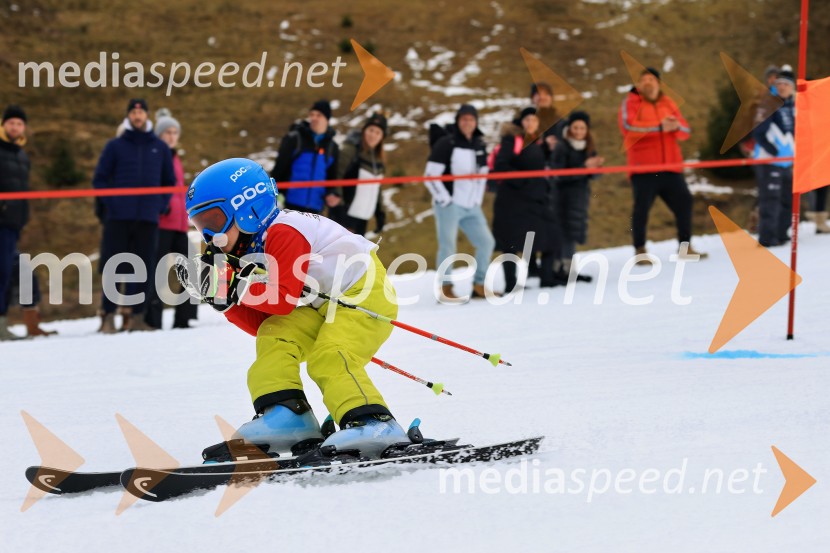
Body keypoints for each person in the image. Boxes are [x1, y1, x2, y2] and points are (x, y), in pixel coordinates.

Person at [177, 158, 407, 460]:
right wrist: (224, 300)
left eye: (213, 222)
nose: (209, 237)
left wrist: (235, 287)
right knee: (275, 335)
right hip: (321, 305)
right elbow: (265, 321)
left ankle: (373, 423)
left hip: (363, 294)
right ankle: (287, 416)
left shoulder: (284, 231)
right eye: (200, 226)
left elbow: (282, 299)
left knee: (331, 354)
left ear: (247, 206)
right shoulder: (247, 248)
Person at [92, 98, 175, 333]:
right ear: (128, 116)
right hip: (118, 218)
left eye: (141, 112)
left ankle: (137, 317)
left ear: (147, 116)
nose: (137, 116)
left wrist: (159, 205)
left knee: (144, 267)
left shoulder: (159, 148)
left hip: (148, 218)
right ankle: (107, 316)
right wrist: (111, 205)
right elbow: (100, 179)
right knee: (113, 266)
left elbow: (169, 182)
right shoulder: (115, 146)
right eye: (133, 112)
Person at [618, 67, 706, 261]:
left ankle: (685, 247)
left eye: (651, 79)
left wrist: (675, 126)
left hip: (670, 166)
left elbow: (685, 131)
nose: (647, 82)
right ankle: (640, 250)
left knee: (684, 202)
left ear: (658, 83)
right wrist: (659, 128)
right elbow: (628, 128)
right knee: (641, 209)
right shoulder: (631, 101)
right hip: (644, 168)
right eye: (644, 80)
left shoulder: (668, 102)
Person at [424, 104, 497, 300]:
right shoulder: (446, 144)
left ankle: (479, 285)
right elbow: (430, 175)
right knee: (448, 246)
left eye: (471, 119)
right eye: (463, 119)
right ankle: (445, 288)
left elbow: (483, 175)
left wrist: (477, 199)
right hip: (450, 205)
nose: (467, 122)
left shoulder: (480, 145)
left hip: (472, 206)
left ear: (476, 122)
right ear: (458, 121)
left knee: (486, 242)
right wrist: (445, 200)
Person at [493, 107, 560, 292]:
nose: (531, 123)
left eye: (535, 120)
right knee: (511, 242)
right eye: (528, 119)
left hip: (536, 200)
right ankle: (511, 284)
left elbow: (534, 163)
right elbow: (501, 166)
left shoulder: (538, 143)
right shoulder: (512, 140)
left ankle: (546, 278)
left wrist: (547, 150)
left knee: (551, 233)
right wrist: (524, 181)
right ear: (521, 122)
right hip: (513, 201)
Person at [144, 110, 198, 329]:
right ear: (158, 134)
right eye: (167, 132)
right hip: (159, 223)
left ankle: (183, 318)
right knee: (156, 271)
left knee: (192, 265)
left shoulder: (175, 157)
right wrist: (161, 208)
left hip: (178, 223)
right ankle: (152, 320)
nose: (172, 136)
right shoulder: (153, 155)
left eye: (175, 132)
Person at [550, 111, 604, 280]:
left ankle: (568, 268)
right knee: (563, 231)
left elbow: (594, 175)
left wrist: (595, 169)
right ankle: (559, 269)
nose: (579, 131)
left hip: (580, 195)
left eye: (583, 128)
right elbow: (558, 174)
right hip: (562, 196)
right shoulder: (561, 146)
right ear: (570, 128)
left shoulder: (589, 146)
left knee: (573, 230)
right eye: (576, 127)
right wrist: (584, 168)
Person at [270, 100, 341, 216]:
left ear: (327, 119)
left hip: (316, 209)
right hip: (289, 206)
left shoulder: (333, 147)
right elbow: (279, 168)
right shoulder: (294, 139)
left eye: (319, 115)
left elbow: (332, 178)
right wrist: (274, 196)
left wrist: (332, 194)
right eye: (312, 115)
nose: (314, 118)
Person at [753, 69, 795, 247]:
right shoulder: (768, 104)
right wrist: (774, 151)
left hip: (787, 162)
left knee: (788, 198)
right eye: (779, 84)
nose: (782, 87)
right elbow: (758, 132)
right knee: (771, 199)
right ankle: (767, 238)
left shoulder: (791, 105)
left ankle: (781, 233)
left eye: (786, 84)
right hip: (769, 161)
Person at [0, 105, 31, 340]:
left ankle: (2, 321)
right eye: (11, 122)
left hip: (13, 223)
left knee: (7, 272)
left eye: (19, 123)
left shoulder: (22, 155)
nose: (15, 127)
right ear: (4, 125)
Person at [334, 113, 387, 236]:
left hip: (363, 216)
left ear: (382, 137)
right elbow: (337, 175)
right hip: (346, 214)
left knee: (356, 255)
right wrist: (339, 208)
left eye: (378, 132)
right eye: (371, 130)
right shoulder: (351, 149)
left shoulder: (378, 159)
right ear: (364, 130)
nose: (373, 135)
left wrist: (380, 213)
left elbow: (377, 188)